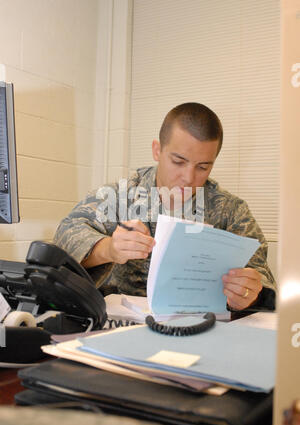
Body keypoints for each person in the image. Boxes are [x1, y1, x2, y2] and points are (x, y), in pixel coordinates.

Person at [54, 103, 276, 312]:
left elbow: (261, 278)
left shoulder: (231, 211)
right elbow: (65, 235)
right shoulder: (122, 196)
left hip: (201, 327)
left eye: (203, 167)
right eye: (178, 161)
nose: (188, 178)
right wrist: (109, 248)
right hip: (120, 322)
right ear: (157, 150)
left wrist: (248, 294)